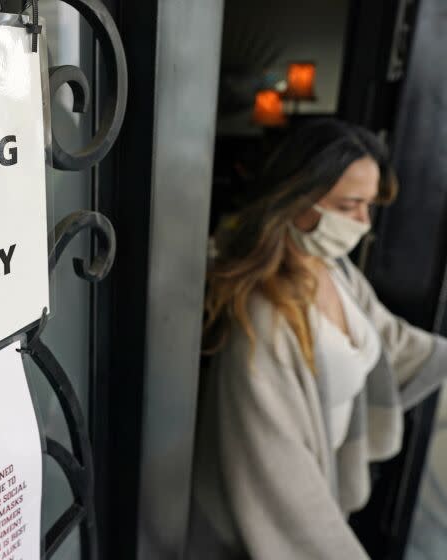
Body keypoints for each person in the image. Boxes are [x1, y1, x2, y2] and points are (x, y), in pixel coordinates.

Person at [188, 119, 447, 559]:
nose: (365, 223)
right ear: (297, 199)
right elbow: (282, 481)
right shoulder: (262, 319)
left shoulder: (334, 270)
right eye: (350, 206)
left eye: (369, 206)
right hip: (260, 524)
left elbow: (391, 342)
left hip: (322, 489)